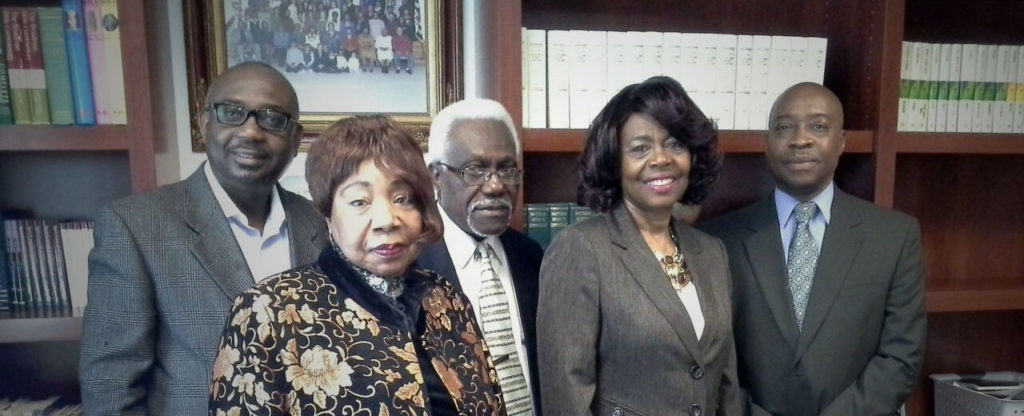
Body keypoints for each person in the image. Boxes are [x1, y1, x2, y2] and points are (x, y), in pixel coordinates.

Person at [209, 115, 506, 415]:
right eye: (359, 202)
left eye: (403, 199)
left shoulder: (446, 299)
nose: (387, 220)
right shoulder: (266, 313)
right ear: (327, 213)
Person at [79, 62, 328, 415]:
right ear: (204, 123)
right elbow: (111, 390)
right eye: (232, 113)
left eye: (272, 118)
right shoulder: (135, 227)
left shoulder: (322, 223)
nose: (252, 132)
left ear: (295, 138)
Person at [700, 82, 926, 416]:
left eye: (818, 126)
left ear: (842, 141)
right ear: (767, 143)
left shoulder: (894, 236)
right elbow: (710, 356)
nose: (800, 139)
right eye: (784, 127)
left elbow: (901, 355)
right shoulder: (717, 240)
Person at [537, 76, 742, 415]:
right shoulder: (580, 250)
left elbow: (726, 381)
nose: (661, 159)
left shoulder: (712, 252)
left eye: (675, 144)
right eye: (640, 148)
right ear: (614, 162)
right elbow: (566, 398)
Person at [419, 98, 545, 415]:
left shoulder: (530, 256)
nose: (495, 186)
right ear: (436, 176)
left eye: (506, 169)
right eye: (475, 170)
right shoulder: (409, 266)